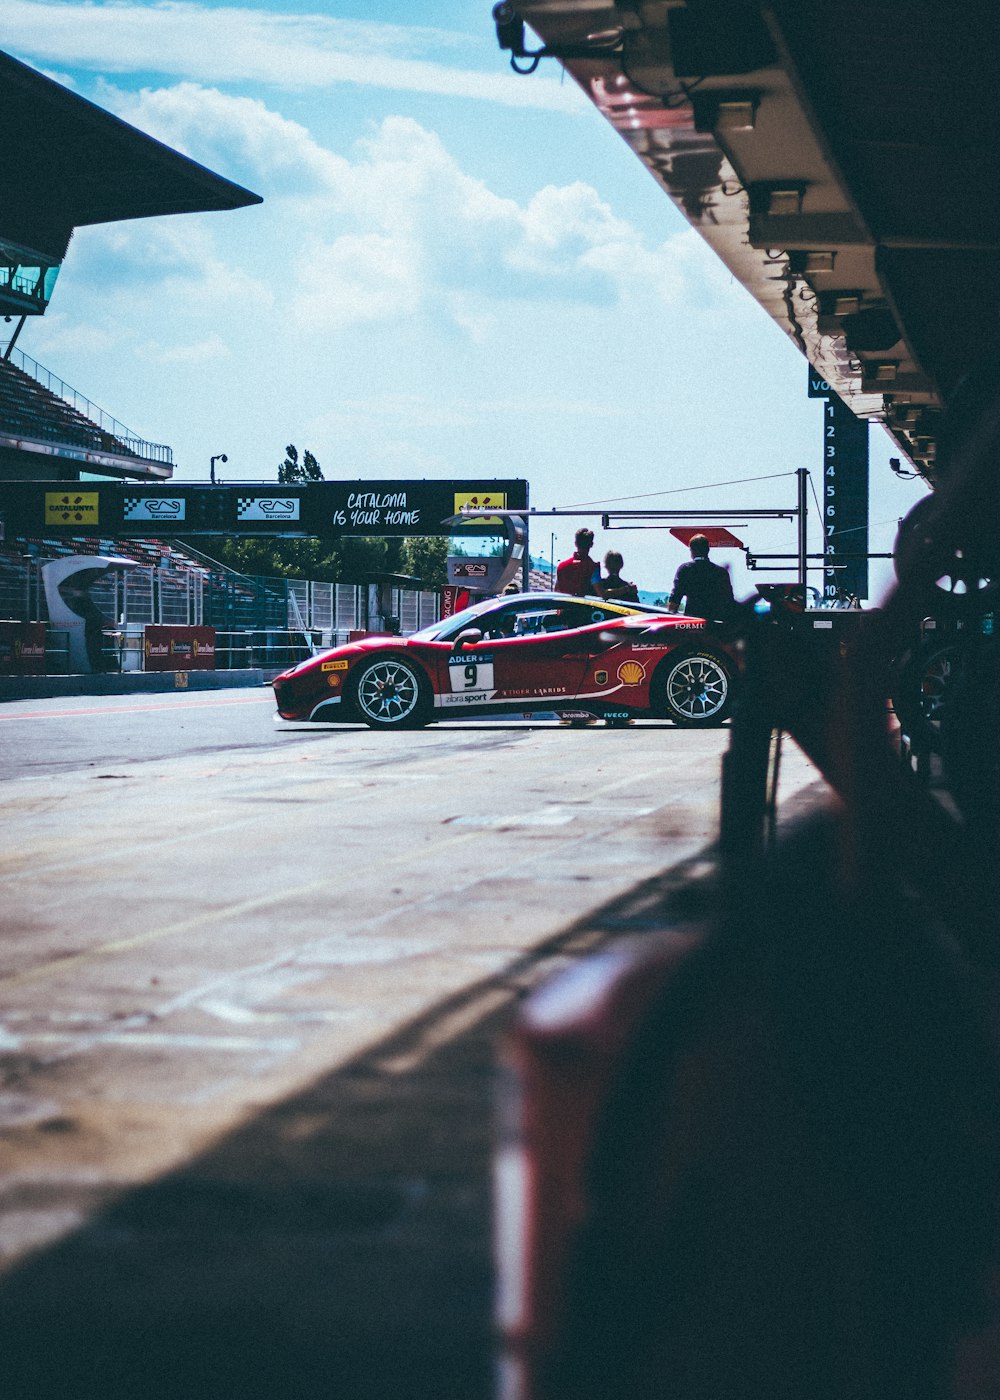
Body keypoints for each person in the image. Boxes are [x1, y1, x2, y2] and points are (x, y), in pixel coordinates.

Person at [667, 534, 735, 621]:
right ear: (708, 550)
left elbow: (675, 599)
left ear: (691, 551)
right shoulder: (721, 572)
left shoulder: (685, 569)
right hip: (715, 624)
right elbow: (729, 601)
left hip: (693, 623)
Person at [556, 528, 601, 596]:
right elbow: (600, 593)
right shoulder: (593, 567)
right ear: (591, 544)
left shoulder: (561, 566)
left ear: (575, 543)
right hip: (584, 606)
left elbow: (556, 591)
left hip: (564, 606)